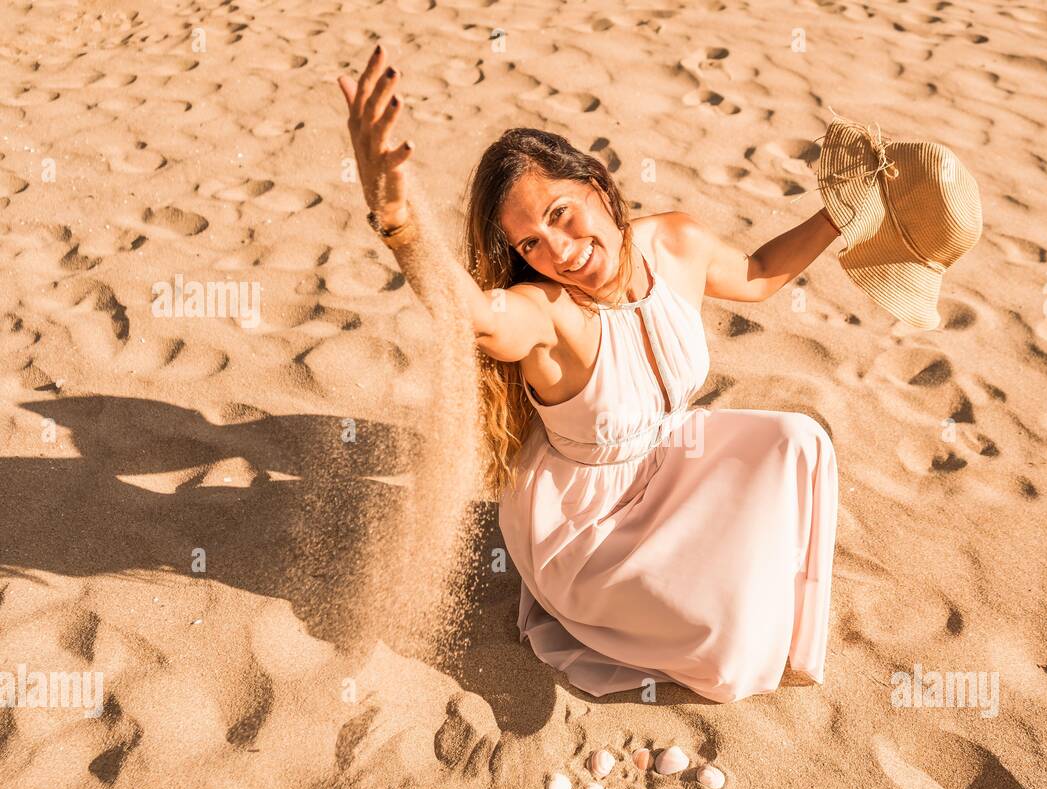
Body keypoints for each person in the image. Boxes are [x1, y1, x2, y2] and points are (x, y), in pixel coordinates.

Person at [339, 45, 840, 703]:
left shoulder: (675, 245)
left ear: (597, 185)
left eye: (559, 215)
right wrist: (399, 222)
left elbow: (758, 273)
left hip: (668, 462)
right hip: (586, 528)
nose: (560, 252)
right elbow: (470, 312)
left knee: (798, 443)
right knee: (724, 636)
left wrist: (841, 215)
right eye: (529, 245)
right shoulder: (544, 315)